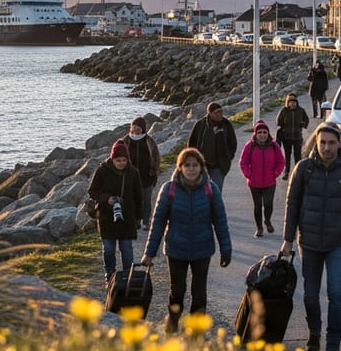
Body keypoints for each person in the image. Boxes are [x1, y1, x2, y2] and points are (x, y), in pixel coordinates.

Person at [280, 124, 341, 351]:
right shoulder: (304, 168)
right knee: (310, 295)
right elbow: (292, 203)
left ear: (339, 143)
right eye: (323, 143)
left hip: (338, 243)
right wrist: (288, 238)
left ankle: (333, 346)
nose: (327, 147)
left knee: (336, 295)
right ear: (316, 144)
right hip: (309, 242)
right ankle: (314, 333)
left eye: (331, 143)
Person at [141, 147, 232, 333]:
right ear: (180, 167)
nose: (191, 169)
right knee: (177, 291)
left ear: (201, 167)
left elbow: (220, 222)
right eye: (187, 165)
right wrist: (149, 253)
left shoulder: (210, 189)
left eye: (195, 165)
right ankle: (171, 328)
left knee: (199, 294)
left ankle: (195, 333)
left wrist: (226, 250)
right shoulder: (169, 189)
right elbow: (157, 223)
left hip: (202, 249)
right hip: (176, 249)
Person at [87, 140, 143, 280]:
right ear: (112, 159)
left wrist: (139, 217)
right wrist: (107, 199)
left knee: (127, 249)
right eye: (118, 160)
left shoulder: (133, 172)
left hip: (127, 216)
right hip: (107, 216)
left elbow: (139, 196)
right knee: (109, 249)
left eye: (124, 160)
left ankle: (128, 275)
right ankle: (110, 274)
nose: (121, 163)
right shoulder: (102, 171)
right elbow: (92, 191)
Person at [239, 119, 286, 238]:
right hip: (254, 182)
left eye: (265, 132)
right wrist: (248, 174)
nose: (262, 135)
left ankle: (268, 221)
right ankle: (259, 227)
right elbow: (243, 162)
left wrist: (276, 173)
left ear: (268, 133)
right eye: (259, 132)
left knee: (268, 204)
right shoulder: (249, 146)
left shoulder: (274, 146)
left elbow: (281, 161)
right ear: (255, 134)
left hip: (270, 182)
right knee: (258, 206)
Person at [121, 116, 161, 230]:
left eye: (138, 127)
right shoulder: (126, 140)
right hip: (130, 176)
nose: (136, 129)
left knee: (146, 200)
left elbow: (156, 156)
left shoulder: (149, 140)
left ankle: (146, 221)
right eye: (134, 127)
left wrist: (154, 170)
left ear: (143, 128)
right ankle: (136, 221)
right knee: (134, 200)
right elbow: (118, 155)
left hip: (147, 176)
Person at [187, 101, 237, 192]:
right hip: (202, 164)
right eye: (216, 113)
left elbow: (232, 142)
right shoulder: (200, 125)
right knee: (201, 190)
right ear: (209, 114)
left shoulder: (226, 124)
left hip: (219, 165)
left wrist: (228, 156)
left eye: (221, 112)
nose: (219, 115)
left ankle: (215, 206)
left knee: (216, 191)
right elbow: (192, 143)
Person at [274, 92, 309, 177]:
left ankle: (298, 172)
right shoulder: (283, 111)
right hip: (286, 137)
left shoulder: (301, 110)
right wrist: (282, 128)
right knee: (287, 155)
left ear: (297, 102)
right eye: (290, 102)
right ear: (287, 103)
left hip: (297, 137)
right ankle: (286, 171)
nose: (292, 103)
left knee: (298, 155)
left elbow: (306, 119)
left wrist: (303, 124)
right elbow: (278, 121)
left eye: (294, 102)